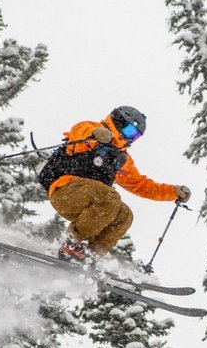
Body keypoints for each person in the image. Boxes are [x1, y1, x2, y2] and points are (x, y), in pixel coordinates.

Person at [37, 104, 190, 262]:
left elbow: (140, 185)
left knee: (124, 215)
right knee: (110, 197)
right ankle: (75, 243)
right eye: (130, 132)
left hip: (90, 206)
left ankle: (90, 255)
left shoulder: (120, 157)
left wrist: (172, 192)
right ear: (119, 121)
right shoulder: (92, 129)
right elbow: (79, 132)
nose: (130, 138)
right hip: (66, 191)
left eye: (135, 136)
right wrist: (95, 134)